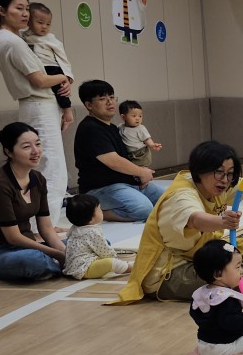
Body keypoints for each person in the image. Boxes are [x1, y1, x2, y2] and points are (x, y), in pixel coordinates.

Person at [112, 140, 243, 303]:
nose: (225, 180)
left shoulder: (217, 184)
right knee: (224, 290)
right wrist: (222, 221)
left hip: (203, 257)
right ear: (200, 170)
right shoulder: (181, 194)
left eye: (230, 174)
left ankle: (234, 276)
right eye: (219, 172)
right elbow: (195, 219)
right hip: (169, 271)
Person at [0, 0, 73, 225]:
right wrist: (64, 78)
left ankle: (40, 224)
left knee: (42, 166)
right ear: (1, 11)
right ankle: (44, 226)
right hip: (39, 104)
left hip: (38, 105)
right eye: (19, 8)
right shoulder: (12, 41)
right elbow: (39, 80)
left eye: (27, 9)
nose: (25, 14)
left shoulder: (11, 38)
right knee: (52, 169)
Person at [0, 122, 65, 281]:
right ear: (9, 152)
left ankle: (65, 263)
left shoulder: (38, 179)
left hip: (28, 247)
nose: (35, 151)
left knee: (87, 242)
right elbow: (13, 237)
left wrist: (63, 250)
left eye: (38, 144)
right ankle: (70, 265)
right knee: (33, 261)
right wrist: (58, 255)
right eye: (26, 147)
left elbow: (47, 228)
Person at [73, 80, 166, 222]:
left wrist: (139, 173)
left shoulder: (113, 128)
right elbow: (113, 161)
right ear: (89, 105)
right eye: (102, 99)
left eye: (112, 97)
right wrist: (141, 172)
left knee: (169, 199)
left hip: (127, 183)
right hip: (101, 188)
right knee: (143, 209)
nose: (109, 102)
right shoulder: (90, 128)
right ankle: (93, 211)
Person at [21, 2, 76, 113]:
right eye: (40, 23)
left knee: (60, 90)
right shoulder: (23, 35)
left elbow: (63, 57)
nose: (44, 27)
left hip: (52, 67)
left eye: (48, 24)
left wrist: (68, 76)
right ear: (29, 21)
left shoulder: (51, 39)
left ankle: (67, 110)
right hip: (37, 69)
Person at [62, 193, 131, 280]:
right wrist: (115, 258)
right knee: (112, 263)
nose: (101, 211)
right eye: (99, 209)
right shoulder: (92, 232)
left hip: (75, 267)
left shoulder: (75, 228)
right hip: (85, 268)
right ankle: (130, 268)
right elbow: (105, 251)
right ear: (91, 219)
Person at [118, 100, 162, 167]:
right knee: (131, 168)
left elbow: (147, 139)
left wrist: (152, 145)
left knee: (141, 168)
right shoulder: (120, 127)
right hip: (129, 154)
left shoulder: (140, 128)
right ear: (123, 117)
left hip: (141, 154)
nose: (137, 118)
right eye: (134, 116)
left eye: (140, 116)